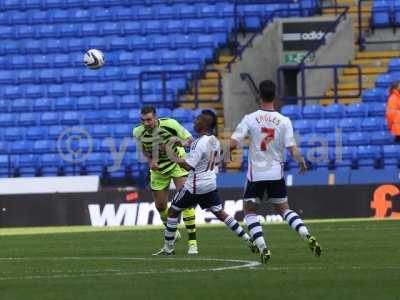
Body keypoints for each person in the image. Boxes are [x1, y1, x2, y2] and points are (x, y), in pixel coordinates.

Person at [229, 80, 322, 263]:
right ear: (275, 97)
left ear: (259, 97)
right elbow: (292, 148)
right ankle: (306, 234)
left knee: (249, 211)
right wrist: (302, 163)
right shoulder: (284, 121)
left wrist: (221, 153)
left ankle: (263, 248)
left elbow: (233, 143)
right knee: (284, 209)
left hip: (256, 173)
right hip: (276, 174)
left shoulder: (250, 118)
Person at [155, 110, 255, 255]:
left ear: (204, 124)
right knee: (220, 213)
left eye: (198, 120)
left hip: (195, 185)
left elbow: (188, 166)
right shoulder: (214, 140)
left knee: (173, 211)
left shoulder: (198, 143)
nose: (195, 121)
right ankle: (248, 239)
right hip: (210, 183)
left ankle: (169, 248)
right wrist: (180, 142)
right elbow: (202, 152)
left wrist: (169, 152)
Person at [133, 106, 198, 254]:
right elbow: (144, 148)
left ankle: (192, 243)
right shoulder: (137, 132)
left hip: (177, 161)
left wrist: (171, 144)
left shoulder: (170, 124)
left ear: (155, 117)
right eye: (143, 120)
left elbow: (189, 141)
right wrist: (150, 161)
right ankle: (173, 233)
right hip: (159, 167)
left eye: (149, 120)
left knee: (185, 200)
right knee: (161, 206)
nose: (146, 123)